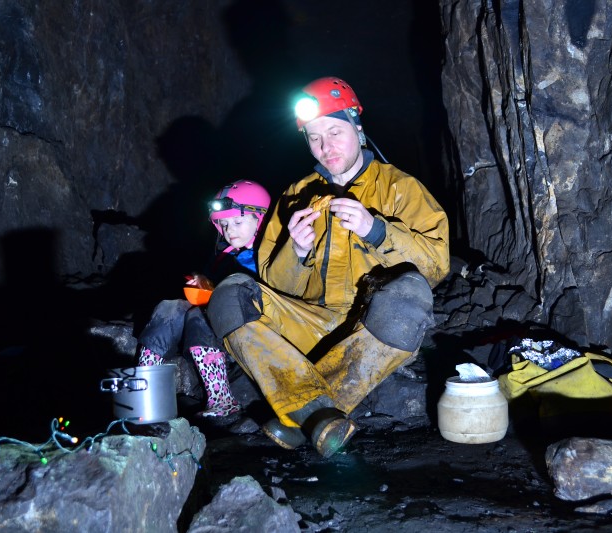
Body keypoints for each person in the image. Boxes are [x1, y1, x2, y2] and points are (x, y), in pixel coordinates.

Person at [207, 77, 450, 457]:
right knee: (230, 292)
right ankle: (317, 415)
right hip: (310, 323)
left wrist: (377, 231)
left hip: (372, 330)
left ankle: (298, 412)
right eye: (315, 138)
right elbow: (273, 279)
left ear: (357, 126)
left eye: (335, 132)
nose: (326, 147)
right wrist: (297, 251)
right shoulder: (295, 195)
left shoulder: (399, 188)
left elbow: (436, 265)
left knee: (411, 294)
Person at [135, 179, 271, 418]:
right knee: (170, 307)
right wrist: (201, 281)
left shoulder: (269, 253)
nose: (230, 231)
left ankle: (222, 398)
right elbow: (211, 282)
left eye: (238, 222)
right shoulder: (225, 254)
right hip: (219, 315)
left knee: (200, 315)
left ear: (260, 220)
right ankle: (145, 385)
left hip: (252, 327)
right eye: (224, 224)